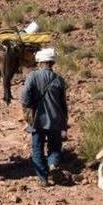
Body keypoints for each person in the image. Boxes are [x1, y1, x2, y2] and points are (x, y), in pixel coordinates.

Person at [21, 48, 68, 186]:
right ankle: (52, 164)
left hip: (37, 121)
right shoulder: (59, 80)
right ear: (52, 63)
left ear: (40, 62)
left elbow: (25, 96)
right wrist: (64, 124)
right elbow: (63, 104)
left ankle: (43, 178)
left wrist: (29, 106)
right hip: (56, 120)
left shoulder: (33, 76)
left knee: (37, 148)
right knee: (55, 147)